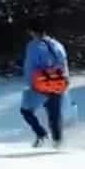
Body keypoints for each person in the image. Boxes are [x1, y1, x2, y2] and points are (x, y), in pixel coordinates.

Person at [19, 19, 69, 148]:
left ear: (32, 31)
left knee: (26, 111)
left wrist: (31, 85)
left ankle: (41, 134)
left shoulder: (33, 46)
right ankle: (58, 142)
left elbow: (30, 67)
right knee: (54, 114)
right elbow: (64, 64)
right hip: (59, 83)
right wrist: (65, 82)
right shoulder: (57, 44)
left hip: (40, 84)